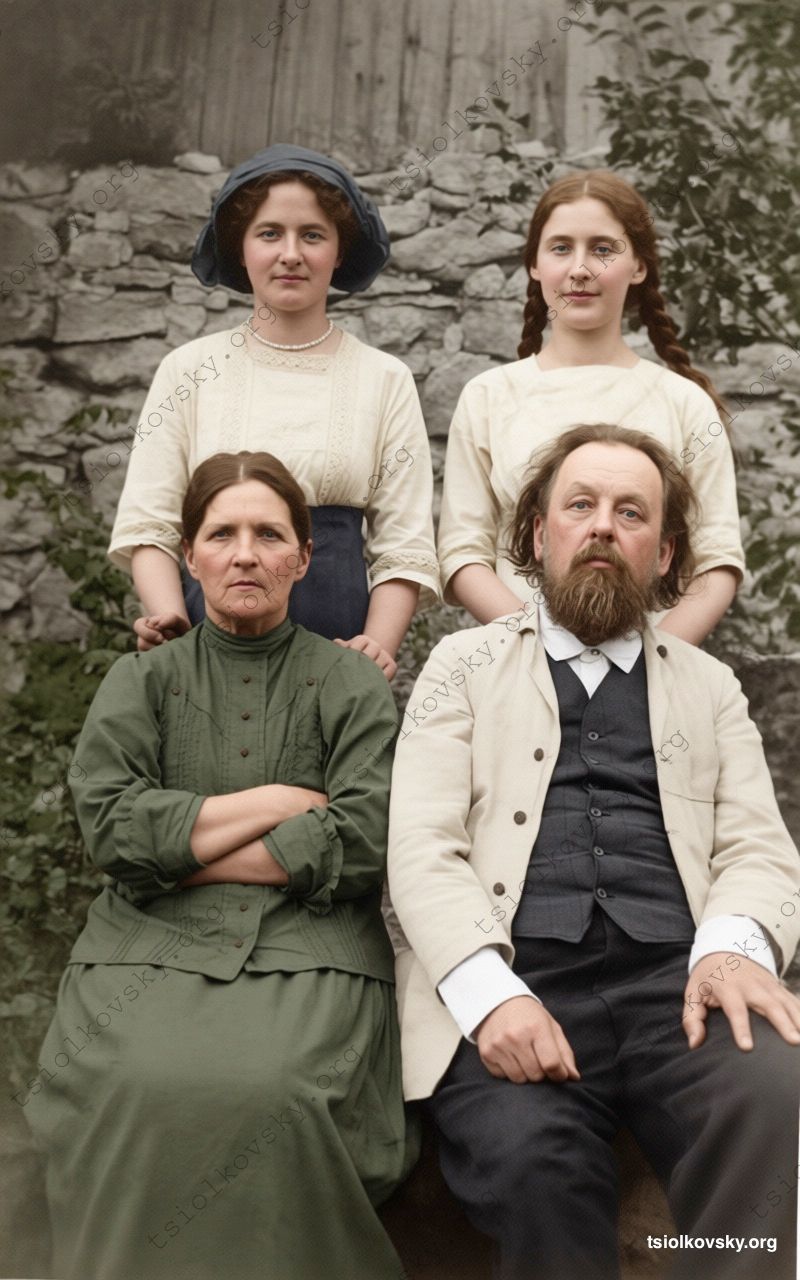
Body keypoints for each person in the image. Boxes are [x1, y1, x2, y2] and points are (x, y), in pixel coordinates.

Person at [387, 423, 800, 1280]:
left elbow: (758, 844)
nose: (603, 526)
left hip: (676, 988)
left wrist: (731, 951)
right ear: (539, 536)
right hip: (520, 978)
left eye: (630, 512)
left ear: (664, 553)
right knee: (539, 1169)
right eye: (580, 506)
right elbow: (421, 849)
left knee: (778, 1102)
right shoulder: (461, 666)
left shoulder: (707, 685)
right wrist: (491, 998)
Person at [25, 451, 416, 1280]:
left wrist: (180, 852)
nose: (245, 553)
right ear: (190, 556)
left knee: (273, 1091)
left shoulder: (351, 684)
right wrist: (281, 800)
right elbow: (113, 831)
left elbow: (361, 839)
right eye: (222, 534)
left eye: (269, 534)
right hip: (143, 948)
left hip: (309, 953)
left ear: (304, 559)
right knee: (127, 1082)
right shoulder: (141, 681)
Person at [109, 143, 439, 678]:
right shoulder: (189, 369)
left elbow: (403, 543)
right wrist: (171, 625)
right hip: (205, 648)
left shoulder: (384, 379)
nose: (291, 253)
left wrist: (372, 652)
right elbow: (150, 524)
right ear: (241, 248)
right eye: (269, 234)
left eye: (312, 235)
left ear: (338, 251)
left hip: (337, 652)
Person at [438, 170, 743, 646]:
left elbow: (717, 559)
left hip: (651, 672)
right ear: (535, 265)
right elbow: (463, 552)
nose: (580, 269)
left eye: (603, 249)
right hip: (520, 662)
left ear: (638, 265)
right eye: (561, 248)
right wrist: (539, 648)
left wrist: (652, 660)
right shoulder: (489, 396)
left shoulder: (683, 403)